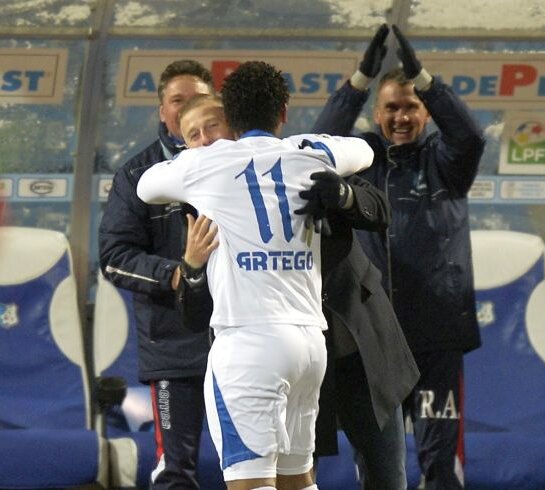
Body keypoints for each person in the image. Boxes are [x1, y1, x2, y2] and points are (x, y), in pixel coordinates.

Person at [136, 60, 375, 490]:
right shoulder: (308, 153)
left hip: (248, 345)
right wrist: (308, 146)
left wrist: (197, 154)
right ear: (283, 112)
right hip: (309, 344)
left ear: (229, 117)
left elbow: (146, 186)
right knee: (299, 482)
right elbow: (364, 151)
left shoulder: (203, 164)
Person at [174, 79, 420, 489]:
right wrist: (192, 266)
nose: (205, 141)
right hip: (278, 355)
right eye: (192, 135)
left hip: (355, 342)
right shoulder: (197, 199)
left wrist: (343, 195)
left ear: (236, 126)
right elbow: (194, 315)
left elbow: (380, 210)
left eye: (212, 127)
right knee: (298, 477)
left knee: (387, 476)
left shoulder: (303, 158)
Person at [313, 24, 486, 489]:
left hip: (436, 336)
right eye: (391, 107)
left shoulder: (447, 162)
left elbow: (471, 137)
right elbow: (316, 146)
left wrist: (427, 81)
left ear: (426, 112)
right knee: (378, 464)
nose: (402, 116)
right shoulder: (363, 158)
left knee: (440, 463)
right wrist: (358, 82)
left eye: (411, 106)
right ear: (377, 113)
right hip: (373, 339)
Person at [98, 59, 216, 489]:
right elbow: (114, 256)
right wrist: (178, 274)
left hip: (242, 340)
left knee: (254, 466)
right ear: (162, 111)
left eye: (198, 100)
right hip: (173, 348)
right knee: (175, 471)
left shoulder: (243, 164)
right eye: (177, 101)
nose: (187, 109)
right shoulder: (136, 175)